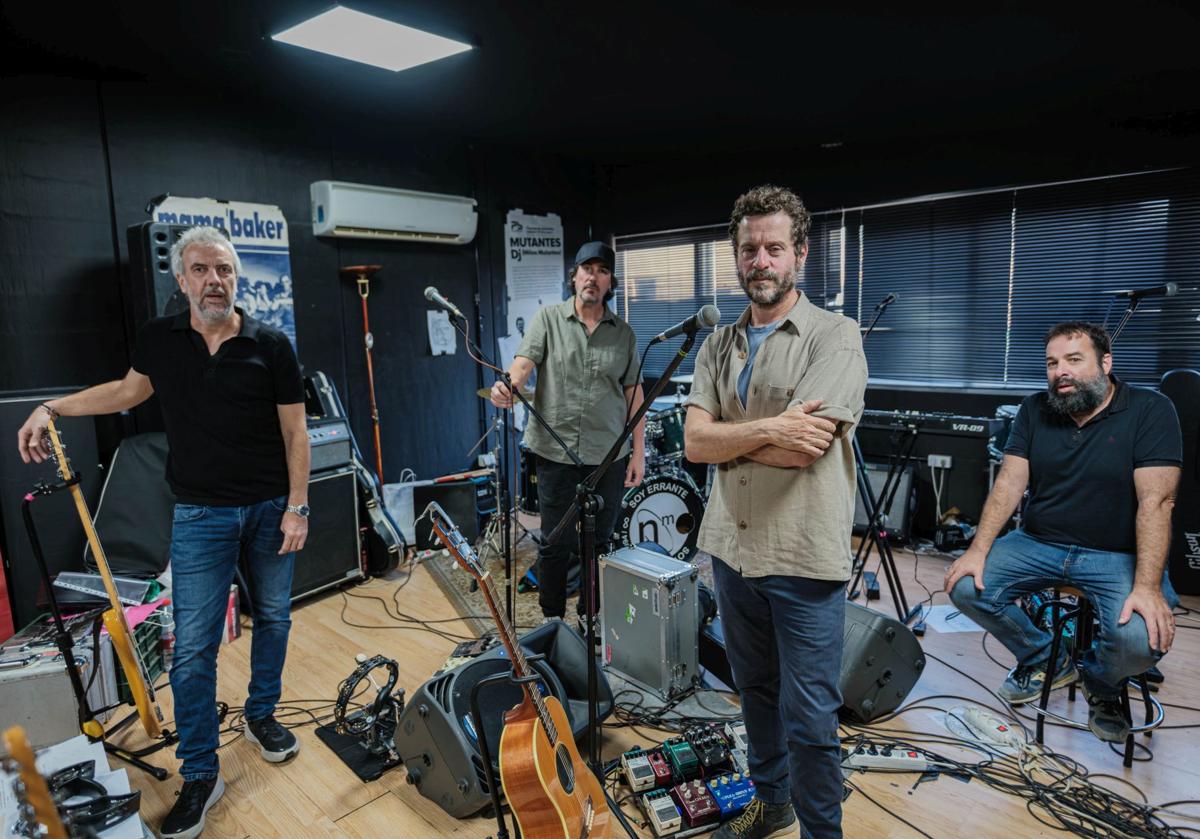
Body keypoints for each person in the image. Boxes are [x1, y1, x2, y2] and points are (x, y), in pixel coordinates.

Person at [16, 226, 310, 839]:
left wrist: (298, 507)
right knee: (194, 649)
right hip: (200, 515)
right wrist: (53, 407)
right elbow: (127, 392)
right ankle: (201, 771)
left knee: (276, 619)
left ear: (236, 276)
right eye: (201, 270)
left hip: (268, 508)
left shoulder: (271, 344)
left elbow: (295, 435)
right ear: (181, 280)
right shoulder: (159, 339)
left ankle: (261, 715)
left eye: (224, 270)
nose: (214, 281)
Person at [684, 185, 867, 839]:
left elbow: (805, 449)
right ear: (736, 256)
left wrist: (732, 436)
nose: (760, 260)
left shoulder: (836, 335)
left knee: (811, 714)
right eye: (748, 249)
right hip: (731, 550)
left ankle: (823, 831)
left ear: (801, 254)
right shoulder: (716, 345)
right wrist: (771, 429)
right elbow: (694, 442)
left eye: (774, 248)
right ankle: (773, 801)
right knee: (754, 689)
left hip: (800, 554)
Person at [945, 321, 1181, 742]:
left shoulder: (1151, 409)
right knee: (964, 585)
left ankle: (1102, 680)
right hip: (1038, 543)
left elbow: (1156, 502)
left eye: (1074, 359)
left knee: (1140, 642)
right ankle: (1045, 657)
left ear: (1106, 363)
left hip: (1118, 554)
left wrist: (1147, 586)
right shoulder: (1035, 408)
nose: (1061, 371)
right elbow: (1009, 485)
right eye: (1052, 363)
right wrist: (977, 549)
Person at [491, 242, 646, 628]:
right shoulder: (547, 320)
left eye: (602, 270)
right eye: (586, 269)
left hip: (607, 455)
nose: (593, 277)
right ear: (574, 277)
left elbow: (634, 396)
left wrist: (638, 453)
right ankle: (552, 620)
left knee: (600, 543)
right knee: (554, 542)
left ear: (611, 282)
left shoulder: (623, 334)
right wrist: (508, 386)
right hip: (554, 452)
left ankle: (591, 617)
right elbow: (523, 365)